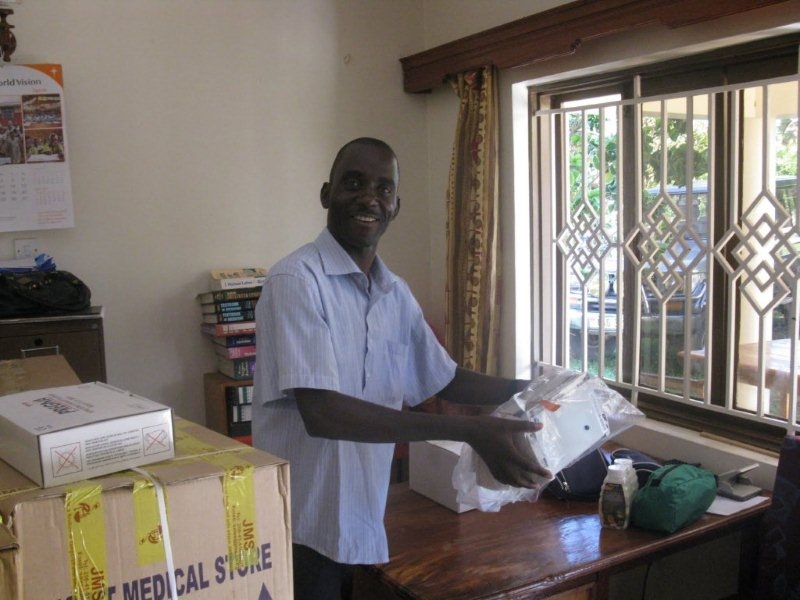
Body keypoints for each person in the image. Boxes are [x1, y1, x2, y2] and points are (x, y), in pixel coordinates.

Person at [252, 137, 550, 600]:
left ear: (396, 206)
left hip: (362, 516)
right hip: (300, 527)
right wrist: (471, 431)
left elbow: (444, 377)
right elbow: (323, 412)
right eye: (354, 183)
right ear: (327, 194)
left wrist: (537, 388)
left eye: (383, 188)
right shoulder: (296, 281)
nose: (369, 198)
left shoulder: (395, 293)